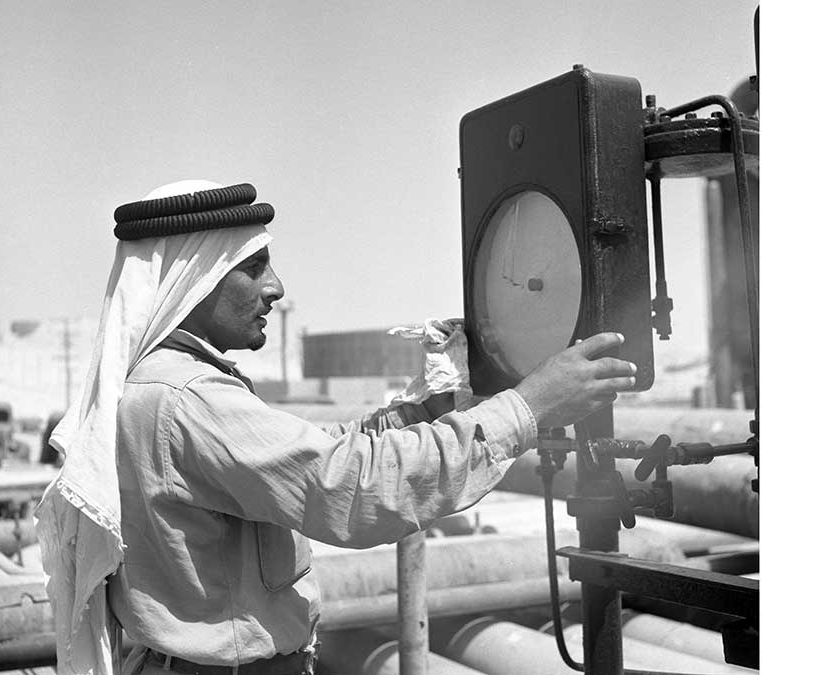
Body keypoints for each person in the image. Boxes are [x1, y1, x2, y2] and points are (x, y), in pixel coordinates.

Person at [36, 180, 638, 675]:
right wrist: (528, 408)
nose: (275, 288)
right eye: (254, 267)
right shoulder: (187, 400)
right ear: (191, 280)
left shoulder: (161, 387)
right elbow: (348, 487)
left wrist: (428, 407)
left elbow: (317, 456)